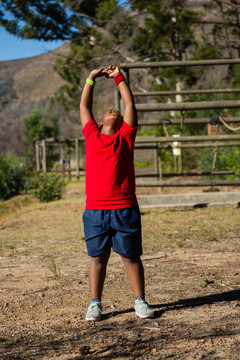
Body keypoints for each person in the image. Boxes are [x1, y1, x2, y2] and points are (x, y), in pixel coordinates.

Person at [80, 65, 154, 321]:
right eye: (108, 111)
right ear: (99, 123)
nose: (115, 110)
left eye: (118, 113)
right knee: (97, 258)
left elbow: (130, 104)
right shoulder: (91, 135)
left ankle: (140, 301)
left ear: (124, 123)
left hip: (124, 208)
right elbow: (84, 108)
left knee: (131, 257)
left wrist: (119, 78)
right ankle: (94, 304)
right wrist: (91, 79)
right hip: (95, 211)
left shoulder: (126, 137)